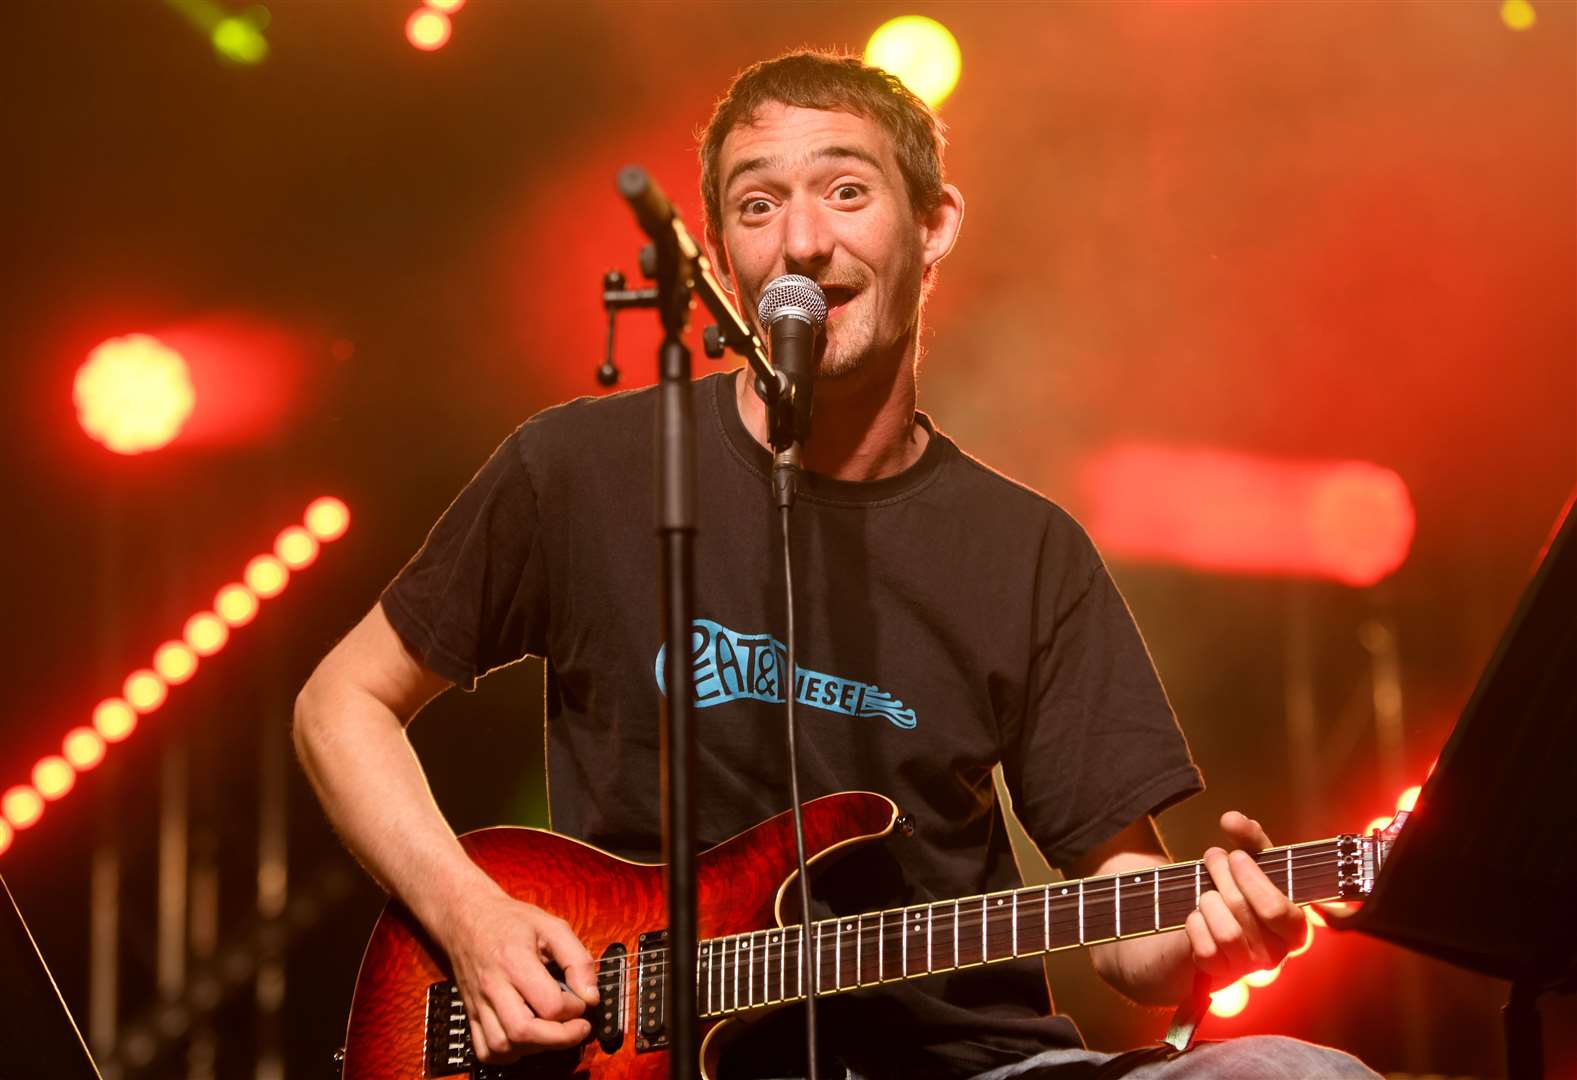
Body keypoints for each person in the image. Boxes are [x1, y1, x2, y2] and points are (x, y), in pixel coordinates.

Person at [293, 50, 1379, 1079]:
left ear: (934, 223)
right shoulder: (582, 470)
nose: (802, 242)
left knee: (1296, 1070)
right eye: (757, 207)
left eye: (846, 192)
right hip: (633, 1060)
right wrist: (470, 919)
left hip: (974, 1068)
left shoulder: (1025, 549)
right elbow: (341, 704)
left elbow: (1120, 921)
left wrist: (1207, 937)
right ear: (718, 259)